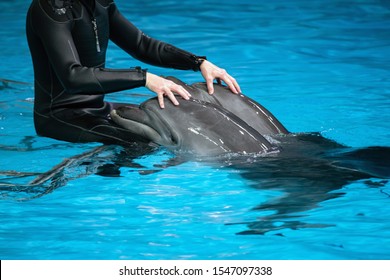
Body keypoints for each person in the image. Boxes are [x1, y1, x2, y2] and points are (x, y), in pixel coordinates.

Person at [26, 0, 241, 145]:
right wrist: (144, 78)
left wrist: (199, 62)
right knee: (147, 143)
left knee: (185, 120)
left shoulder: (99, 3)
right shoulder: (49, 11)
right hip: (59, 116)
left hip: (98, 108)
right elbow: (73, 77)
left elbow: (142, 45)